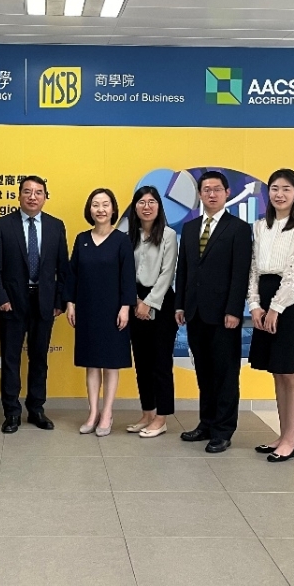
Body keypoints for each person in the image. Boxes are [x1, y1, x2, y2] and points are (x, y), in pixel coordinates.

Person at [175, 171, 253, 453]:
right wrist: (180, 304)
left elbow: (240, 273)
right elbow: (184, 269)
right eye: (206, 189)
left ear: (227, 193)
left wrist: (234, 310)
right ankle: (206, 423)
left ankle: (223, 430)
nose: (211, 194)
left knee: (225, 373)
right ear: (200, 194)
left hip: (224, 315)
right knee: (204, 372)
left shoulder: (238, 228)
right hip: (195, 312)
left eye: (216, 189)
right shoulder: (191, 228)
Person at [0, 175, 69, 434]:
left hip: (44, 302)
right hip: (12, 303)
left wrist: (59, 300)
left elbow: (62, 268)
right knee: (10, 359)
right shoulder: (3, 225)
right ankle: (11, 412)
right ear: (19, 195)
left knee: (39, 358)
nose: (33, 196)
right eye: (27, 191)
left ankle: (36, 409)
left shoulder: (56, 226)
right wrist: (0, 298)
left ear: (45, 196)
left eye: (38, 192)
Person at [248, 168, 294, 462]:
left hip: (290, 301)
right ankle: (283, 434)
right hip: (264, 297)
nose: (280, 194)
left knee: (291, 371)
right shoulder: (260, 226)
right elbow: (253, 268)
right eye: (275, 188)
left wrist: (277, 306)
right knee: (277, 370)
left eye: (286, 189)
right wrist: (255, 304)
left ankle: (290, 439)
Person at [64, 188, 136, 437]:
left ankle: (107, 413)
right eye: (96, 204)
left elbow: (128, 277)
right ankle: (93, 412)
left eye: (105, 204)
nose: (101, 209)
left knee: (111, 364)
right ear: (90, 209)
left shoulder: (122, 240)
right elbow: (72, 274)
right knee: (92, 363)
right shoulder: (82, 239)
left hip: (114, 311)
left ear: (113, 209)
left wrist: (126, 307)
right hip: (87, 309)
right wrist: (70, 303)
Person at [124, 186, 178, 438]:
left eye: (152, 202)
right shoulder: (128, 236)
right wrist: (135, 301)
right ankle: (147, 413)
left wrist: (149, 302)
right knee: (142, 362)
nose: (147, 207)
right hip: (134, 301)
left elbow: (167, 273)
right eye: (141, 202)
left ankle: (161, 417)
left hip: (162, 303)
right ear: (135, 207)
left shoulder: (168, 235)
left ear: (159, 206)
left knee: (160, 363)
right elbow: (124, 271)